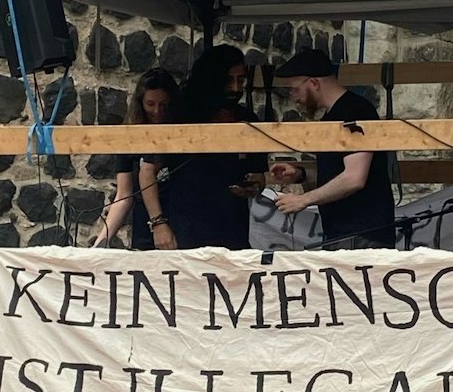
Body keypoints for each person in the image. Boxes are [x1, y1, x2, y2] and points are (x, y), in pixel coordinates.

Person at [140, 45, 265, 251]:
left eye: (240, 80)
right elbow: (147, 171)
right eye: (228, 81)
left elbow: (259, 175)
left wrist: (253, 187)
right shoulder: (182, 116)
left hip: (233, 231)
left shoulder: (247, 119)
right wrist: (158, 223)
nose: (235, 88)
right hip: (187, 231)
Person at [270, 49, 397, 249]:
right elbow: (337, 172)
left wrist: (303, 200)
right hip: (342, 233)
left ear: (314, 83)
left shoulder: (355, 111)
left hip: (362, 235)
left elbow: (354, 178)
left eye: (294, 89)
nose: (294, 97)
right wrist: (301, 174)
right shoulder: (332, 117)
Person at [92, 69, 180, 250]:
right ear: (140, 103)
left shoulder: (182, 131)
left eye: (164, 104)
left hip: (180, 220)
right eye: (150, 104)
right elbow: (124, 196)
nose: (157, 111)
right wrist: (100, 243)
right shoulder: (129, 136)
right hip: (145, 226)